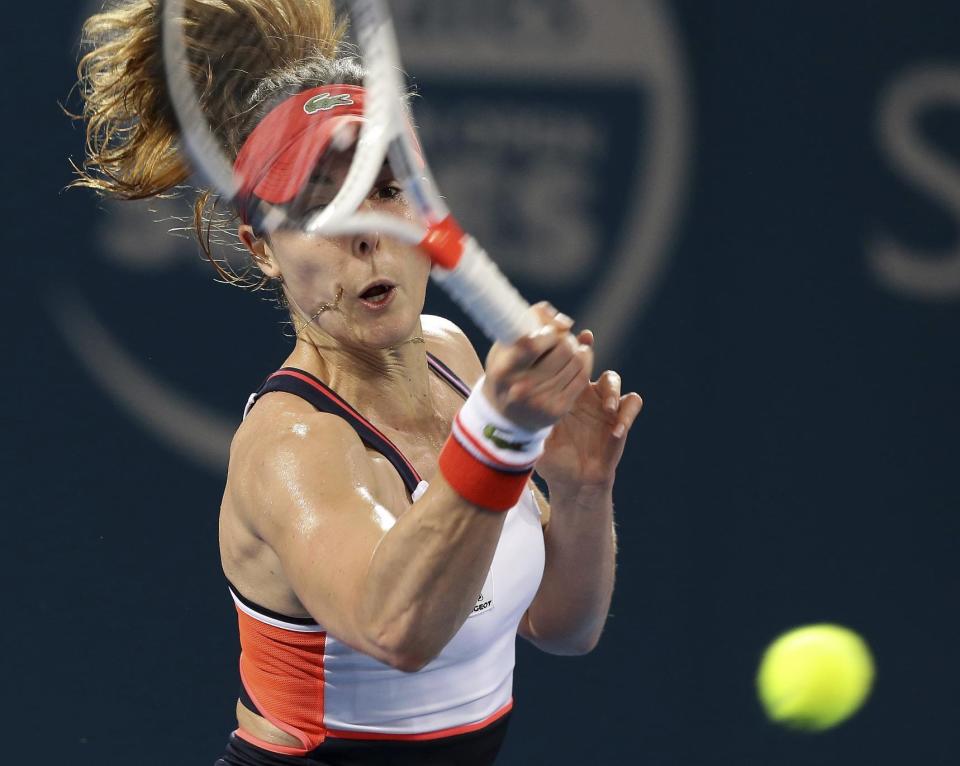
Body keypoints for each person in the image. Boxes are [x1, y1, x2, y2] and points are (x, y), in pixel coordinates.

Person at [70, 1, 643, 764]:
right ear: (263, 249)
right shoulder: (291, 446)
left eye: (383, 188)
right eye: (319, 206)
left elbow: (563, 628)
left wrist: (581, 490)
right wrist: (500, 437)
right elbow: (397, 631)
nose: (366, 233)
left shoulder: (453, 356)